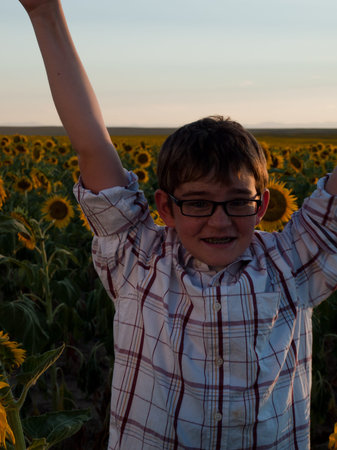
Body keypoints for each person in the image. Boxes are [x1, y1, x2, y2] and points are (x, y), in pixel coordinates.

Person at [17, 0, 337, 449]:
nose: (220, 221)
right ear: (164, 207)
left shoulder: (292, 265)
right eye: (199, 204)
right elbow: (91, 143)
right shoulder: (140, 260)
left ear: (263, 204)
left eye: (237, 203)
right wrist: (44, 13)